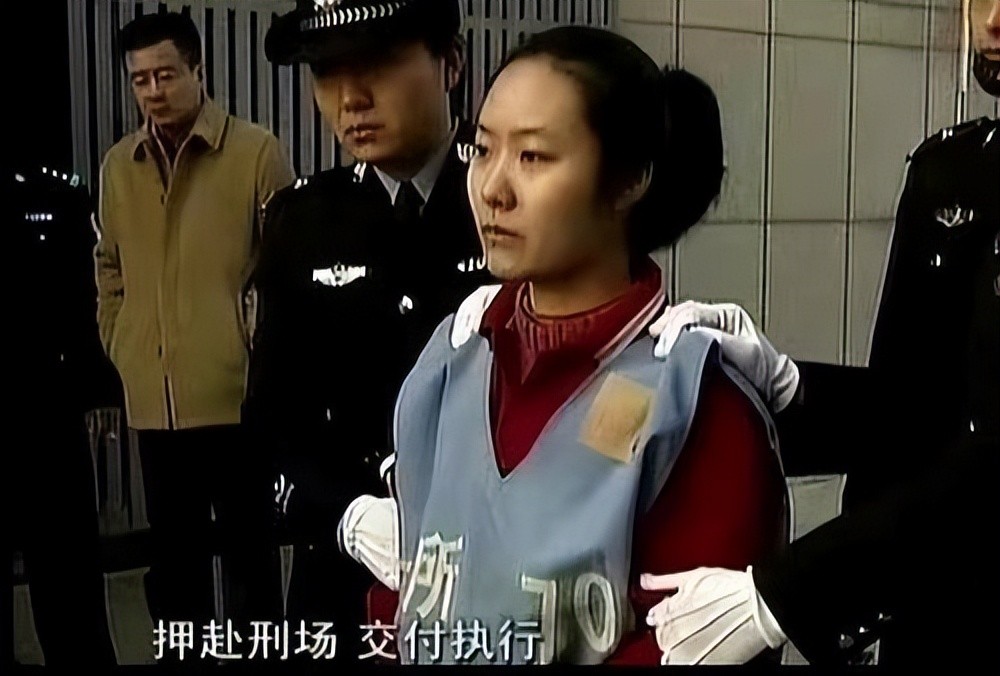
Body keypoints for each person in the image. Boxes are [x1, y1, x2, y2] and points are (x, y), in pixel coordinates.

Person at [338, 26, 789, 665]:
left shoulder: (694, 405)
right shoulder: (451, 362)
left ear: (628, 179)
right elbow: (401, 603)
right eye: (481, 149)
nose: (492, 188)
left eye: (532, 157)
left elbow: (682, 641)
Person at [644, 0, 1000, 665]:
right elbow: (922, 416)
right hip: (931, 625)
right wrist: (785, 390)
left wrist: (787, 595)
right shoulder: (954, 174)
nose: (992, 19)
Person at [248, 0, 490, 649]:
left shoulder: (510, 197)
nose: (350, 98)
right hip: (344, 576)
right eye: (327, 72)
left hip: (498, 561)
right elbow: (274, 416)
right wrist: (349, 514)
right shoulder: (303, 220)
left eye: (378, 64)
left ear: (451, 63)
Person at [93, 12, 294, 639]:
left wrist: (253, 349)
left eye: (166, 75)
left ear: (197, 70)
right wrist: (122, 342)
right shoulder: (119, 166)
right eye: (140, 80)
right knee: (175, 568)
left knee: (249, 562)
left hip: (237, 400)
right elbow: (108, 267)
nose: (153, 91)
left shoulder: (255, 152)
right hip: (154, 403)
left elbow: (286, 271)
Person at [9, 165, 118, 666]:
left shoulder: (52, 195)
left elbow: (86, 291)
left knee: (69, 590)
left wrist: (97, 388)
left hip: (46, 409)